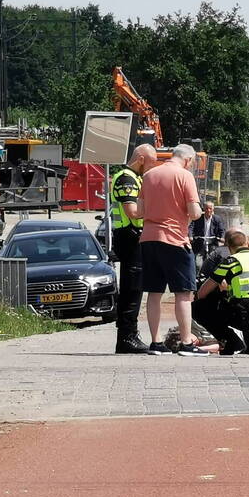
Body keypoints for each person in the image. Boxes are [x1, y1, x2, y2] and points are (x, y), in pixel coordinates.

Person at [138, 144, 208, 357]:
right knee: (183, 293)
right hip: (175, 240)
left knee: (154, 292)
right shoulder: (185, 176)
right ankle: (187, 343)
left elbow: (140, 211)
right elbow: (195, 213)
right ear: (188, 160)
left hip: (149, 238)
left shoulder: (149, 175)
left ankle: (156, 342)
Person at [111, 143, 159, 354]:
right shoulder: (126, 178)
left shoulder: (136, 178)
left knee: (136, 288)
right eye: (150, 162)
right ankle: (126, 337)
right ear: (140, 159)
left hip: (135, 236)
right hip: (129, 236)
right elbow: (132, 211)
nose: (151, 167)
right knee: (131, 288)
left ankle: (130, 334)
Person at [193, 230, 249, 355]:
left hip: (244, 312)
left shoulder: (231, 261)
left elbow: (202, 293)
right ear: (248, 243)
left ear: (229, 248)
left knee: (197, 308)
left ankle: (232, 341)